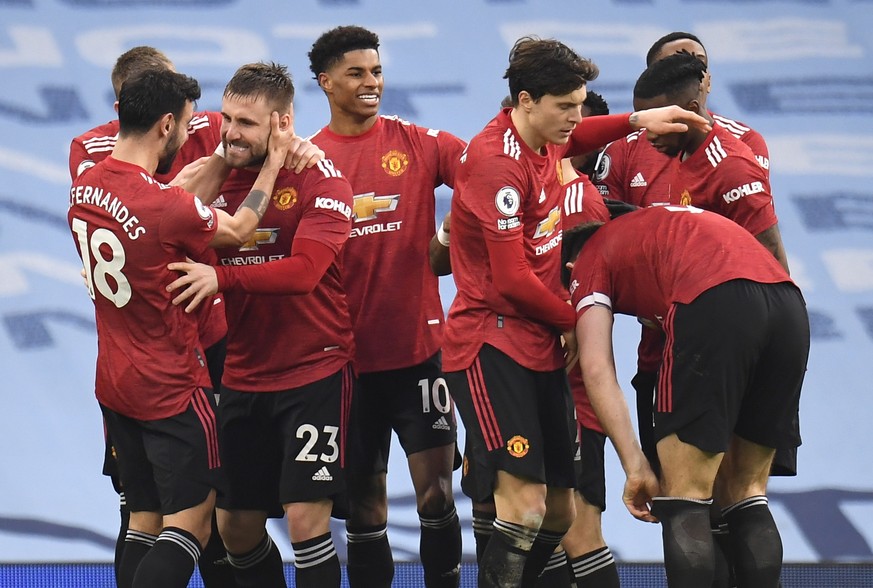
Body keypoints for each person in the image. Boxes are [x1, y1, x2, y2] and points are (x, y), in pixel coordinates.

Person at [441, 35, 710, 587]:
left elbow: (580, 134)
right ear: (525, 101)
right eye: (564, 106)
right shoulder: (496, 164)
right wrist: (573, 321)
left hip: (540, 344)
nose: (575, 118)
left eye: (579, 103)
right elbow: (511, 279)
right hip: (492, 344)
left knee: (561, 513)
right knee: (523, 510)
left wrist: (637, 121)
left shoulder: (543, 139)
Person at [68, 45, 322, 587]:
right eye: (187, 125)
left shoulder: (87, 183)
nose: (195, 133)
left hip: (114, 379)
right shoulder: (163, 204)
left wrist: (230, 155)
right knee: (191, 526)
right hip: (173, 382)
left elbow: (173, 197)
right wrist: (273, 163)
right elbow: (237, 228)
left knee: (143, 519)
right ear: (166, 125)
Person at [165, 61, 355, 588]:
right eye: (226, 118)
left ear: (282, 122)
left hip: (314, 372)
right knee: (236, 529)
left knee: (305, 521)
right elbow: (162, 214)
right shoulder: (215, 176)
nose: (230, 132)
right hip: (244, 375)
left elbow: (305, 272)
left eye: (246, 123)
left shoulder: (322, 178)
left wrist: (222, 279)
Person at [563, 205, 808, 588]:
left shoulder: (587, 258)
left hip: (715, 300)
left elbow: (595, 368)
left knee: (685, 499)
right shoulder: (660, 228)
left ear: (568, 266)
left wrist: (635, 465)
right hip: (788, 307)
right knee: (746, 495)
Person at [306, 25, 465, 588]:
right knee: (365, 506)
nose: (371, 82)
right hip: (345, 367)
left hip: (419, 356)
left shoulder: (418, 143)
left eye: (376, 71)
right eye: (356, 73)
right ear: (326, 83)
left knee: (437, 495)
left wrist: (448, 235)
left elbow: (494, 169)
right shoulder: (308, 162)